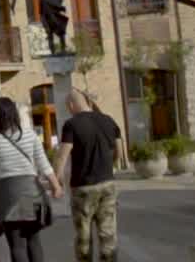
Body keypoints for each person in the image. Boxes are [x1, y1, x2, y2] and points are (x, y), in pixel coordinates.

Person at [0, 97, 63, 262]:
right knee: (34, 240)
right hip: (31, 193)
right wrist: (56, 185)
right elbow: (43, 163)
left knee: (16, 244)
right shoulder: (29, 135)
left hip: (6, 198)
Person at [53, 90, 123, 262]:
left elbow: (63, 155)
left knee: (83, 237)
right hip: (107, 184)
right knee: (108, 234)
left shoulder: (71, 124)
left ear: (71, 105)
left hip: (83, 188)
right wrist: (108, 165)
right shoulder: (109, 120)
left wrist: (58, 179)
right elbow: (119, 152)